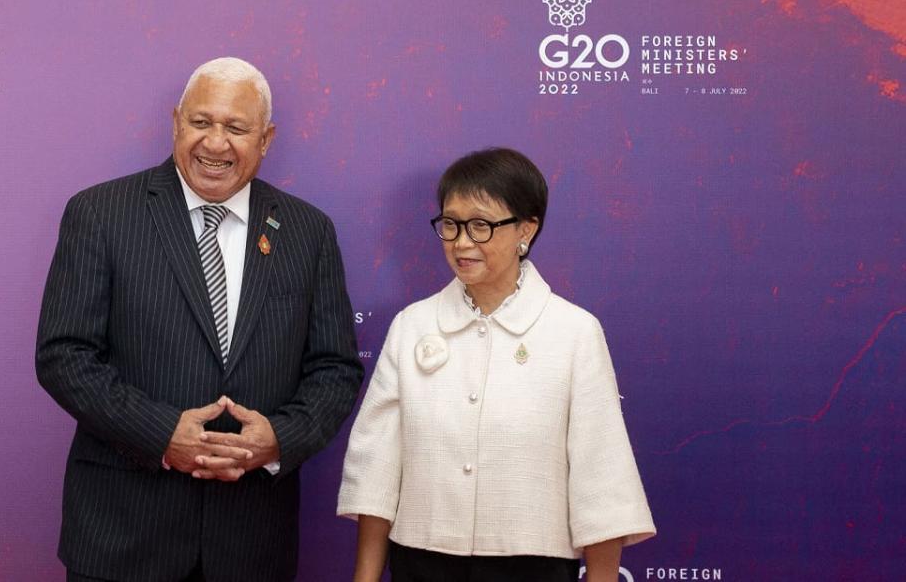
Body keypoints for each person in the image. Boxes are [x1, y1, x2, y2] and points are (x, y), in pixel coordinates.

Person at [36, 57, 364, 582]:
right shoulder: (99, 214)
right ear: (175, 122)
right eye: (200, 122)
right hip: (123, 536)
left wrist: (278, 439)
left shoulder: (307, 232)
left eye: (236, 128)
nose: (215, 144)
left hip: (252, 541)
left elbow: (335, 368)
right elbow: (64, 356)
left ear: (266, 138)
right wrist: (162, 432)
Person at [337, 148, 655, 582]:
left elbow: (602, 478)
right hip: (421, 564)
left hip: (534, 568)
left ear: (527, 228)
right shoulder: (412, 326)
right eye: (451, 224)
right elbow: (377, 471)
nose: (462, 242)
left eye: (481, 225)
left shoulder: (574, 332)